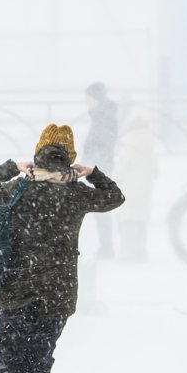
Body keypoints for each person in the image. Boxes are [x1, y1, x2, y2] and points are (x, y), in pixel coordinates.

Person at [0, 123, 124, 373]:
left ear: (36, 156)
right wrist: (93, 173)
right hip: (58, 289)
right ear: (70, 159)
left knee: (9, 348)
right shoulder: (75, 193)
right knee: (41, 351)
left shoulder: (18, 189)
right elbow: (114, 198)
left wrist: (11, 167)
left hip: (17, 285)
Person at [113, 116, 159, 261]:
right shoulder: (150, 147)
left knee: (128, 222)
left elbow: (121, 169)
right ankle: (140, 253)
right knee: (140, 221)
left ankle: (126, 254)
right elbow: (155, 171)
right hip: (145, 190)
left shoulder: (129, 146)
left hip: (129, 188)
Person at [82, 82, 119, 257]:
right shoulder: (102, 115)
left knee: (101, 210)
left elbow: (103, 144)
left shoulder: (103, 117)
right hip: (98, 167)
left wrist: (94, 167)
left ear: (96, 98)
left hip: (98, 168)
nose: (86, 102)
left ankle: (107, 247)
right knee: (100, 209)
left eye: (88, 98)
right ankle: (106, 247)